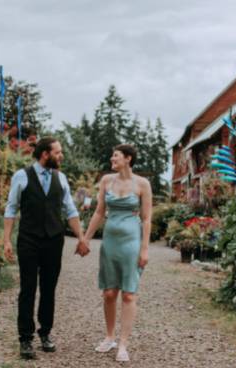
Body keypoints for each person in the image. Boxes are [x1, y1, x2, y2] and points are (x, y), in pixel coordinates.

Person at [3, 136, 90, 360]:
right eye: (58, 152)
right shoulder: (21, 176)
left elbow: (70, 211)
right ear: (45, 154)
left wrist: (81, 237)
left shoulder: (60, 178)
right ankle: (25, 339)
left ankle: (45, 333)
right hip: (29, 240)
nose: (61, 156)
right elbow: (11, 209)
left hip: (53, 240)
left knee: (49, 289)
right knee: (28, 289)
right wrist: (5, 241)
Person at [83, 144, 152, 363]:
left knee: (129, 293)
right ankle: (109, 337)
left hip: (131, 241)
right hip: (110, 241)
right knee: (109, 293)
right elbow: (99, 212)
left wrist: (145, 248)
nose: (112, 158)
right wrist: (85, 238)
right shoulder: (106, 181)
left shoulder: (142, 184)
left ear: (128, 159)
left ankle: (123, 344)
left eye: (116, 155)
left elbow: (147, 218)